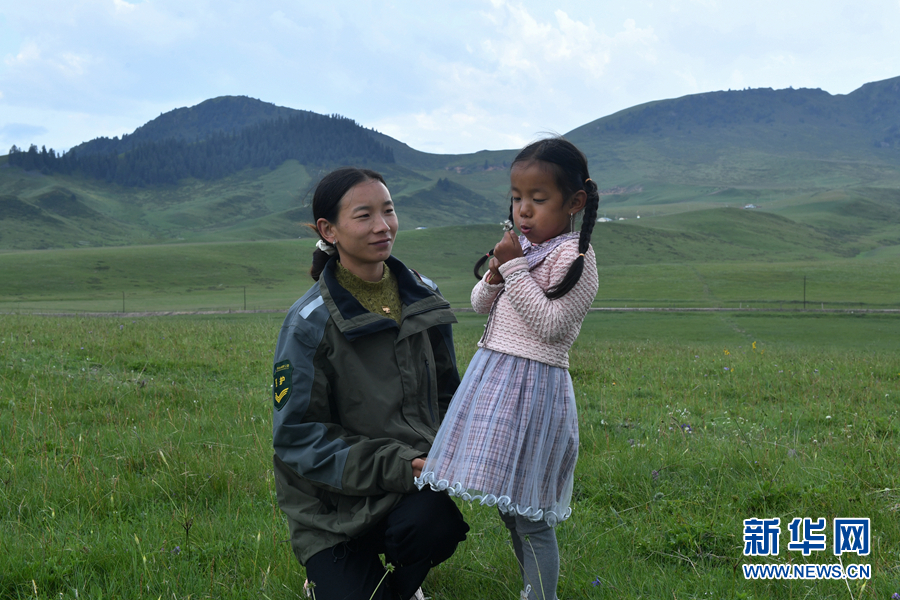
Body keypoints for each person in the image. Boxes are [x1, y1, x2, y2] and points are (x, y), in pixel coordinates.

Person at [272, 167, 469, 600]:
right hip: (329, 505)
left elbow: (447, 394)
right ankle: (332, 574)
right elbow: (297, 438)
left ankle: (403, 581)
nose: (383, 226)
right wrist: (398, 465)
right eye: (364, 215)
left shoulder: (423, 296)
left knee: (436, 524)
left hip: (404, 489)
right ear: (329, 230)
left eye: (389, 211)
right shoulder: (309, 323)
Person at [416, 137, 600, 600]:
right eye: (517, 198)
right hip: (495, 383)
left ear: (575, 202)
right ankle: (531, 589)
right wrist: (498, 271)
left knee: (530, 514)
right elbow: (480, 303)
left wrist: (515, 269)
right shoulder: (526, 249)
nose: (524, 210)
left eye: (539, 199)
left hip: (534, 390)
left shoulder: (575, 258)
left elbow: (551, 326)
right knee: (509, 507)